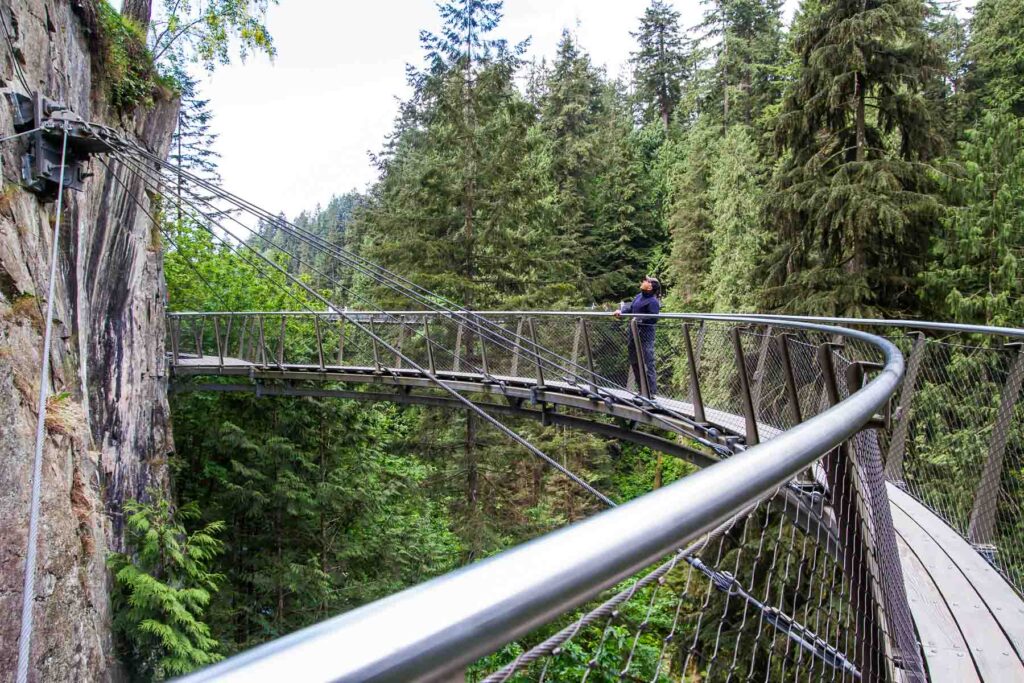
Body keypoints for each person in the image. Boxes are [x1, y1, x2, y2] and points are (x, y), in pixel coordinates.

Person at [614, 276, 661, 396]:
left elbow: (653, 319)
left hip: (646, 336)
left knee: (648, 362)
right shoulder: (639, 296)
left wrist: (638, 319)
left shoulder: (653, 302)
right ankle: (641, 389)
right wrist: (621, 312)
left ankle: (651, 391)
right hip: (633, 333)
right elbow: (630, 308)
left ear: (651, 287)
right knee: (634, 361)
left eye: (648, 281)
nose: (644, 282)